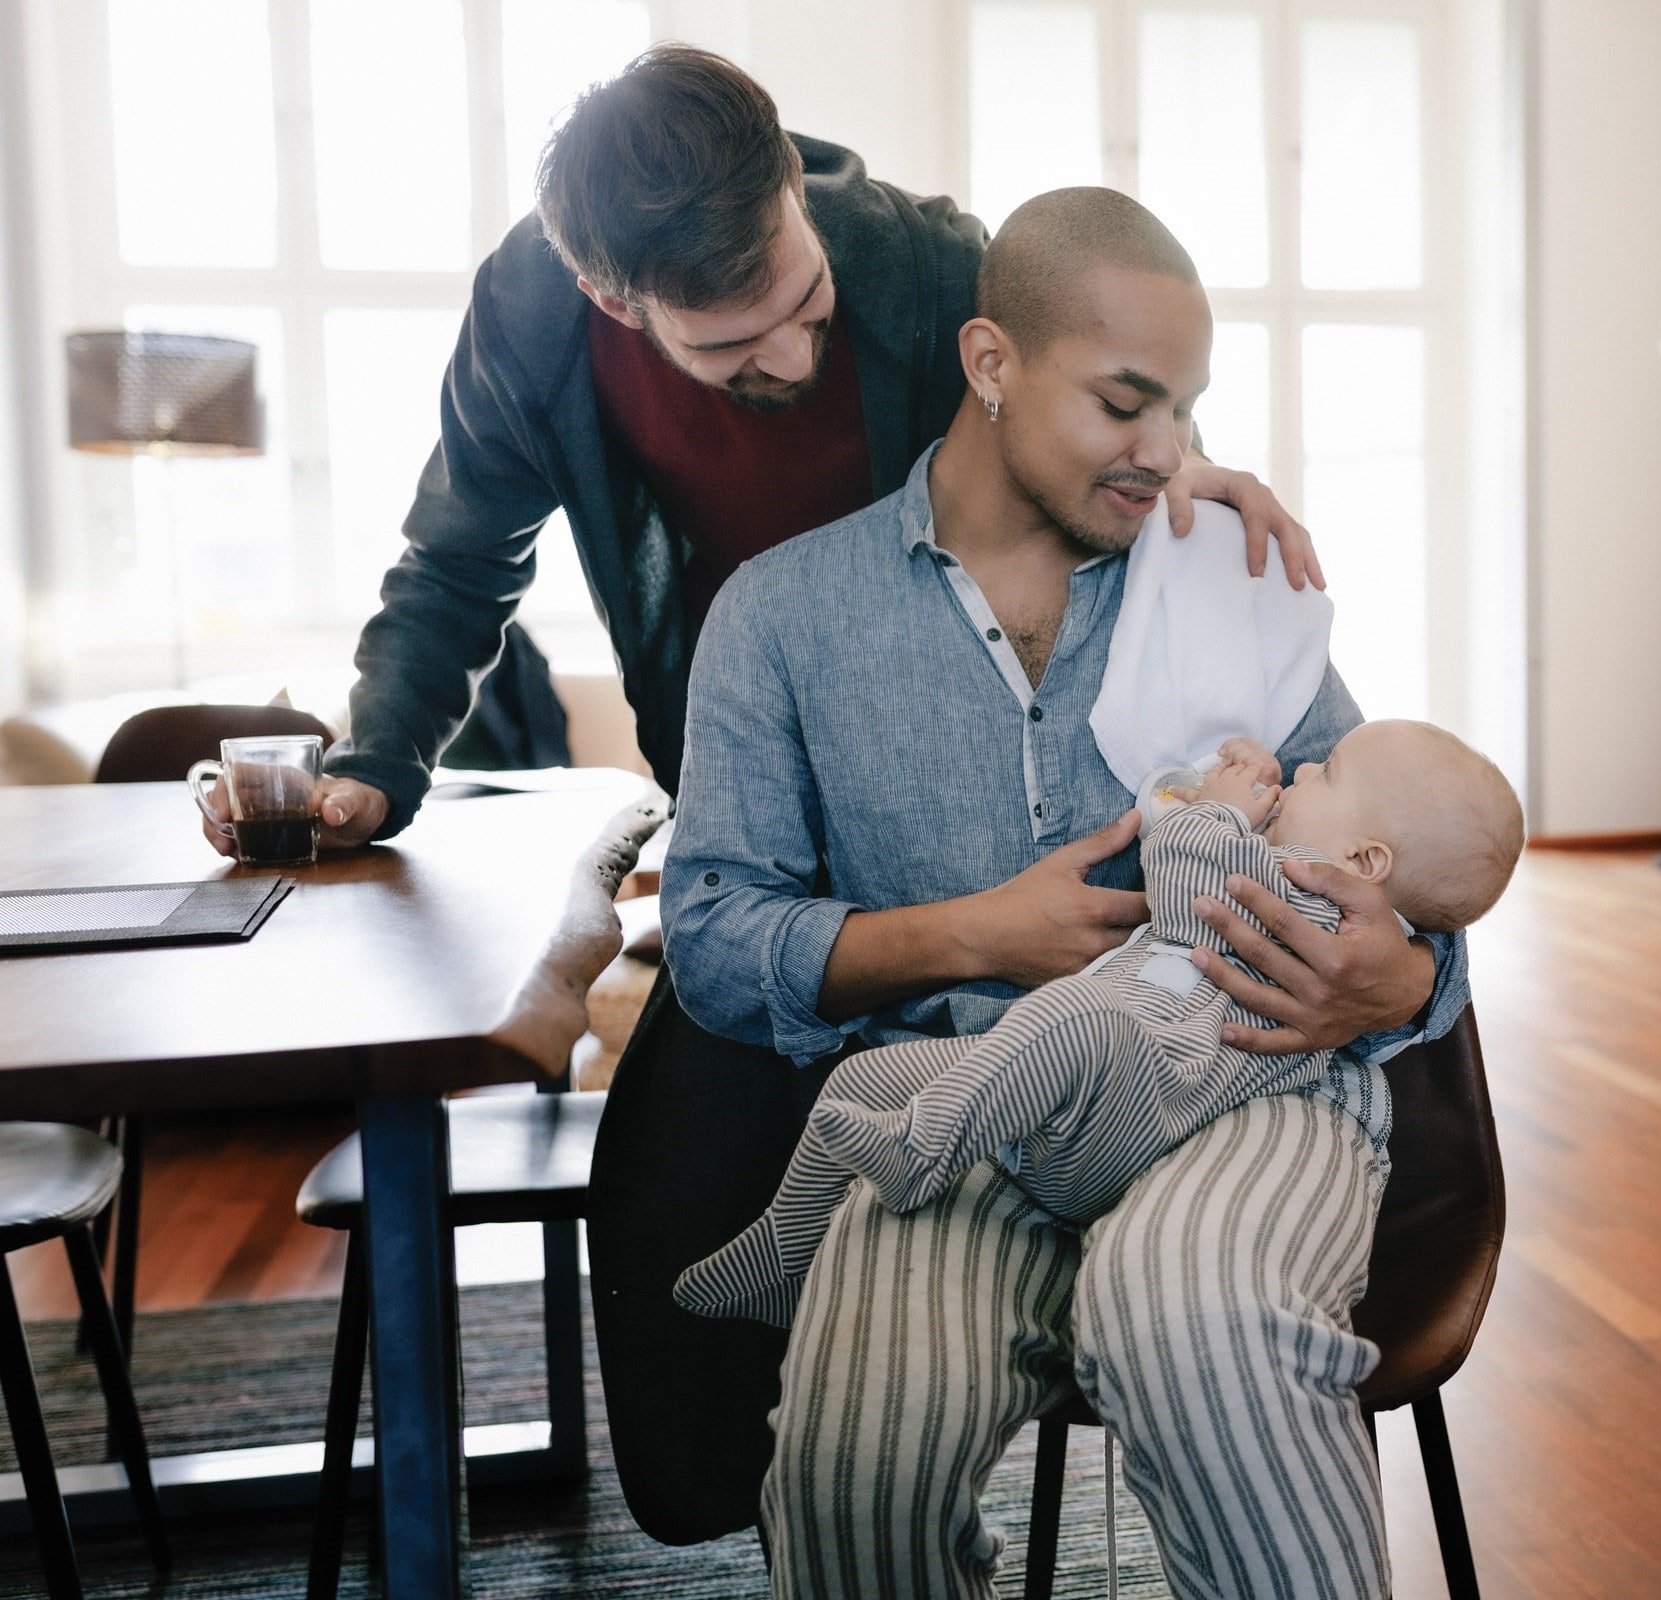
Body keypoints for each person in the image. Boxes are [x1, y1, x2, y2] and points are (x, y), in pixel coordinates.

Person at [664, 185, 1467, 1600]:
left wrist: (1413, 981)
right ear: (990, 364)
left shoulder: (1230, 575)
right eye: (1127, 404)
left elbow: (1399, 852)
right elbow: (716, 942)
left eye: (1189, 410)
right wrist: (974, 935)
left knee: (1198, 1325)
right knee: (854, 1463)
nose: (1170, 453)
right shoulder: (780, 618)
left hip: (1248, 1096)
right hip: (967, 1119)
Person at [194, 44, 1316, 856]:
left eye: (808, 301)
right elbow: (455, 563)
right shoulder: (531, 321)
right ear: (611, 299)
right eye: (733, 343)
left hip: (938, 755)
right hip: (729, 745)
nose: (789, 356)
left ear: (789, 177)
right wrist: (379, 768)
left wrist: (1179, 460)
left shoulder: (928, 264)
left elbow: (1079, 382)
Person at [671, 722, 1523, 1326]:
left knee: (1071, 1015)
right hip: (1094, 1077)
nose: (1299, 774)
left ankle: (920, 1153)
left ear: (1364, 863)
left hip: (1140, 1099)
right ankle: (785, 1255)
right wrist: (1202, 799)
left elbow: (1188, 871)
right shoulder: (1311, 882)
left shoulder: (1314, 906)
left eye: (1324, 775)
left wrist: (1220, 806)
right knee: (863, 1079)